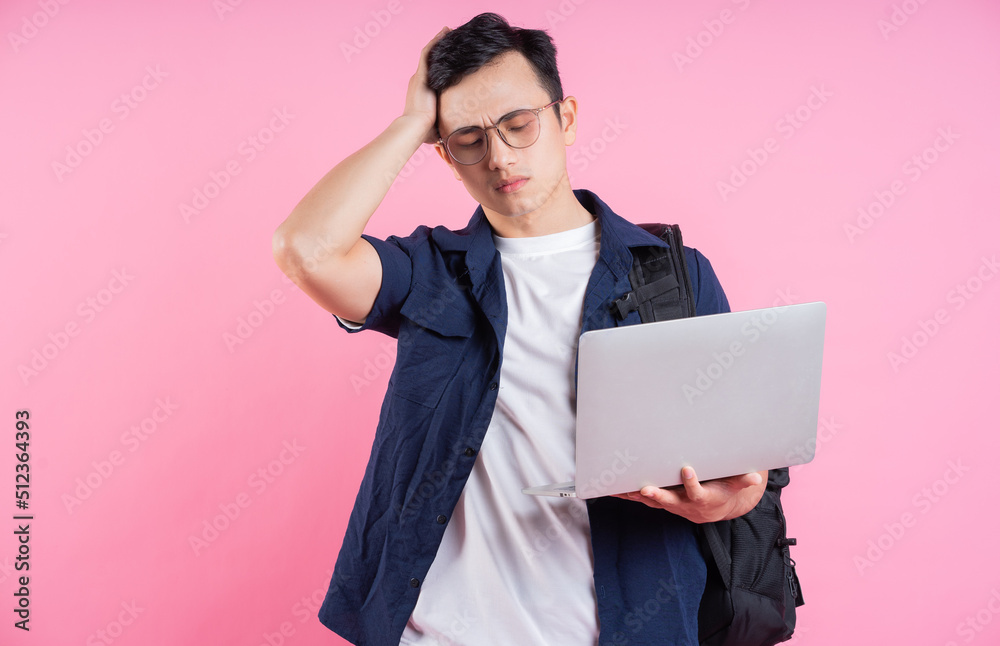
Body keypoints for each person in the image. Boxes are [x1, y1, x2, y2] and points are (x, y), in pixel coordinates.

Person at [272, 13, 767, 646]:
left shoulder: (670, 272)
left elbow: (744, 463)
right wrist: (409, 125)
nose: (499, 156)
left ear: (566, 119)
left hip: (627, 625)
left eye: (518, 125)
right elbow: (305, 249)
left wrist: (722, 501)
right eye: (469, 139)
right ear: (446, 155)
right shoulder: (431, 270)